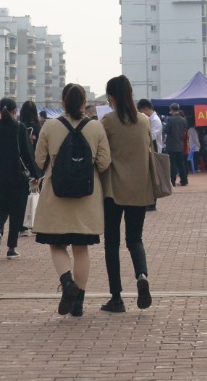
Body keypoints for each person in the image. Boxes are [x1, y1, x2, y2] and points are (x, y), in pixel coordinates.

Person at [35, 82, 113, 316]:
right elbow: (104, 162)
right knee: (81, 249)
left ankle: (67, 281)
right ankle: (78, 303)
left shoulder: (50, 126)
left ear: (63, 102)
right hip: (86, 198)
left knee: (57, 244)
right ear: (84, 103)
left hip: (56, 196)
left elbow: (39, 160)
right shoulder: (96, 127)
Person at [99, 75, 158, 313]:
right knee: (135, 239)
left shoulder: (107, 122)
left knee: (112, 244)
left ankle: (116, 298)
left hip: (113, 190)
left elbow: (101, 154)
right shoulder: (144, 121)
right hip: (139, 189)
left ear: (111, 97)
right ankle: (141, 275)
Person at [0, 97, 34, 258]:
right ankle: (11, 247)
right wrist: (35, 173)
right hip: (18, 176)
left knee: (2, 208)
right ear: (14, 111)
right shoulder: (19, 128)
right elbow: (27, 154)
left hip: (0, 176)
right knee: (16, 212)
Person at [162, 104, 191, 187]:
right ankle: (184, 180)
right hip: (180, 144)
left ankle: (172, 181)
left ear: (171, 110)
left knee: (172, 164)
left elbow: (166, 130)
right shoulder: (183, 120)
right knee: (181, 164)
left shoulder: (170, 119)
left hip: (171, 144)